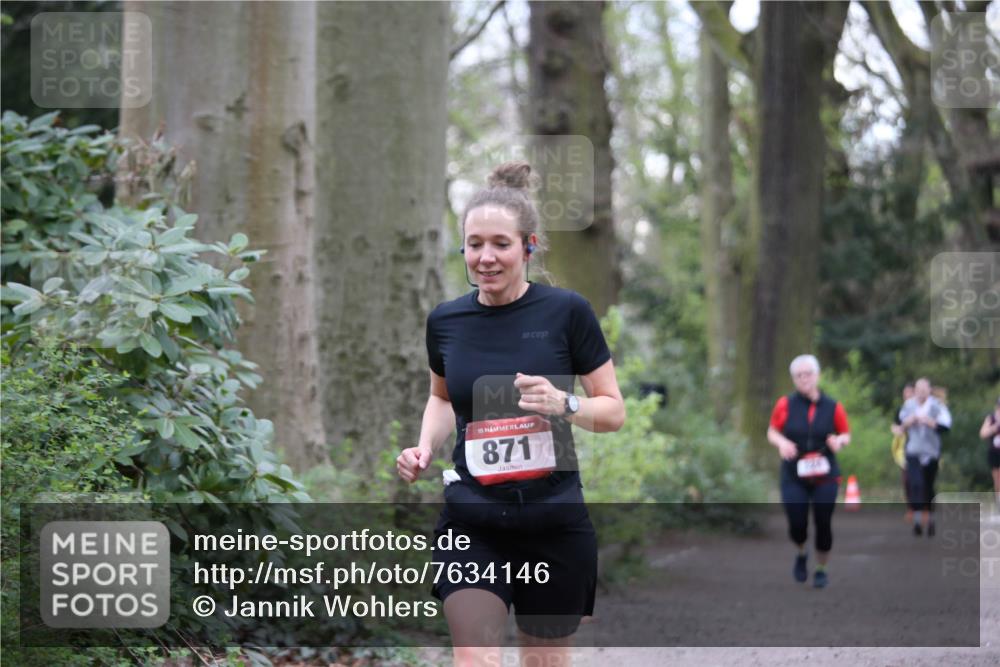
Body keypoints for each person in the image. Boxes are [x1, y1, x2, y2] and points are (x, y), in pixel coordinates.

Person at [396, 161, 625, 667]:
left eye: (501, 243)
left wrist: (565, 403)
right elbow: (442, 398)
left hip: (553, 519)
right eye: (474, 244)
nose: (486, 257)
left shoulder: (567, 312)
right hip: (473, 518)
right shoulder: (446, 321)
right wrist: (424, 448)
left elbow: (612, 411)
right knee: (475, 658)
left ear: (528, 246)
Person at [767, 354, 851, 589]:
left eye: (808, 374)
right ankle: (802, 552)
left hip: (825, 474)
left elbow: (846, 433)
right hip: (794, 473)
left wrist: (838, 441)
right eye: (798, 375)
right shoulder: (785, 404)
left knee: (823, 522)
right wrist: (782, 443)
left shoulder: (833, 406)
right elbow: (772, 431)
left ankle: (821, 569)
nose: (804, 379)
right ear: (793, 379)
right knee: (797, 523)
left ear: (817, 376)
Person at [899, 378, 952, 537]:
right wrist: (910, 421)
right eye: (918, 390)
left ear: (929, 390)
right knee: (916, 484)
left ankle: (930, 519)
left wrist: (930, 422)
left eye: (924, 390)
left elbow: (946, 425)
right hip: (913, 451)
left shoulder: (937, 406)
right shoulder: (909, 405)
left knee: (928, 486)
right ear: (915, 391)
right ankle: (917, 520)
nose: (921, 393)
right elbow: (900, 424)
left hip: (931, 452)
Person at [891, 383, 915, 520]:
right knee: (907, 480)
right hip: (904, 450)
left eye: (910, 392)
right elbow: (895, 425)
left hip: (922, 450)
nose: (907, 395)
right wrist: (896, 429)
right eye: (905, 393)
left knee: (920, 480)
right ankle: (911, 508)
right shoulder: (901, 410)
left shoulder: (921, 409)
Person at [979, 397, 1000, 512]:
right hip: (994, 452)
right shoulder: (991, 418)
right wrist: (994, 428)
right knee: (997, 479)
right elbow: (983, 433)